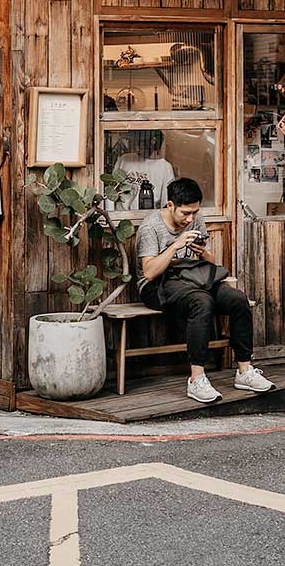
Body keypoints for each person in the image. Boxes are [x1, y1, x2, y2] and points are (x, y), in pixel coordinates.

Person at [135, 176, 275, 405]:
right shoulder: (151, 226)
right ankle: (197, 379)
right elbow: (149, 272)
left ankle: (244, 371)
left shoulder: (195, 220)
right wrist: (176, 245)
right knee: (202, 302)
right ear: (170, 205)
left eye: (194, 213)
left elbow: (210, 262)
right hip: (158, 286)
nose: (190, 219)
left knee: (237, 299)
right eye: (185, 214)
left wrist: (202, 253)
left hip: (194, 278)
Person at [115, 129, 175, 209]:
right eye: (134, 142)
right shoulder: (125, 160)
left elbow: (166, 203)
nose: (137, 148)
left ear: (153, 141)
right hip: (121, 217)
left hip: (149, 217)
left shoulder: (164, 167)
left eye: (140, 143)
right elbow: (113, 190)